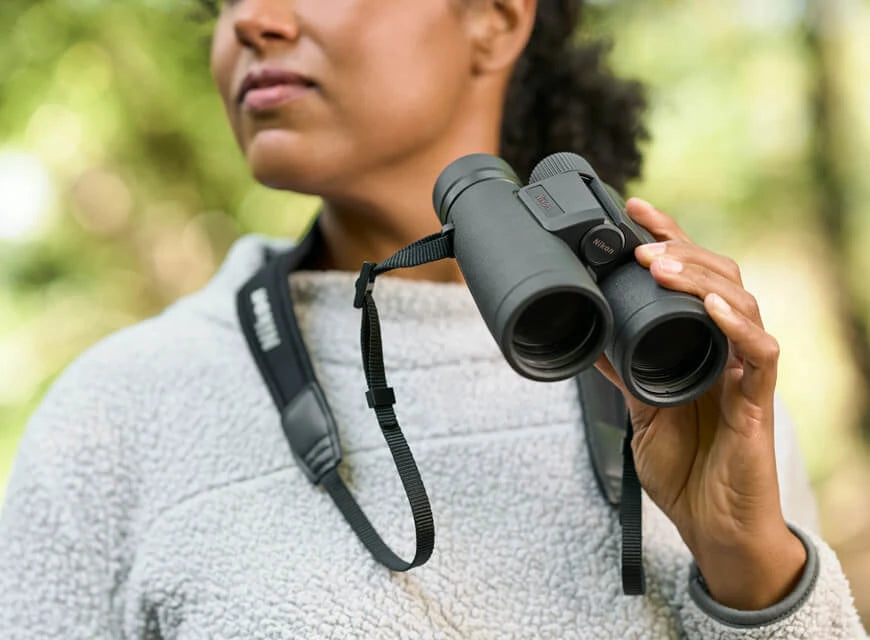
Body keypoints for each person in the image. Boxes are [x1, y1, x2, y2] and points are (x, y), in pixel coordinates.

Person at [0, 0, 865, 637]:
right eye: (225, 2)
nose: (251, 22)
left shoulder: (676, 362)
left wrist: (753, 570)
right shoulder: (122, 411)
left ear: (494, 17)